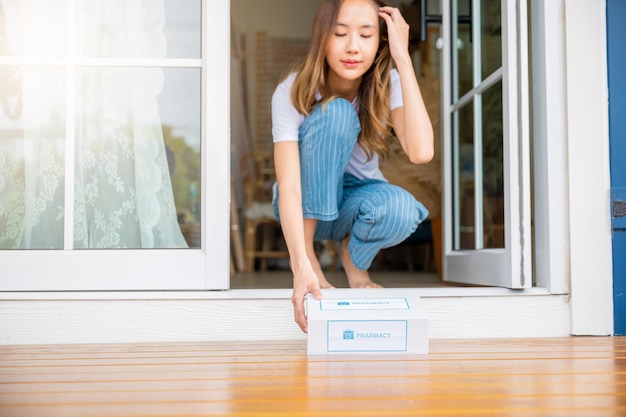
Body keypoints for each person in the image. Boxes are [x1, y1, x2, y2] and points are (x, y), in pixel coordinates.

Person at [271, 0, 434, 333]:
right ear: (322, 38)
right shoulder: (292, 90)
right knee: (337, 113)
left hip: (354, 204)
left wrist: (402, 57)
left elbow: (421, 152)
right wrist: (301, 264)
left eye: (366, 35)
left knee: (402, 209)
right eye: (340, 33)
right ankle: (313, 257)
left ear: (381, 41)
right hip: (303, 202)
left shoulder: (388, 82)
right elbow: (288, 185)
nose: (352, 47)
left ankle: (353, 258)